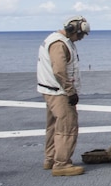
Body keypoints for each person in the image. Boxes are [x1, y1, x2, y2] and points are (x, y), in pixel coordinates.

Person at [37, 15, 90, 176]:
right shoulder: (59, 44)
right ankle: (62, 164)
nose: (80, 38)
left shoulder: (54, 40)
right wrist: (70, 91)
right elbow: (59, 70)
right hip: (59, 93)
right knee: (67, 127)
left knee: (54, 127)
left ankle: (51, 159)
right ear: (71, 29)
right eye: (79, 35)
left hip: (50, 91)